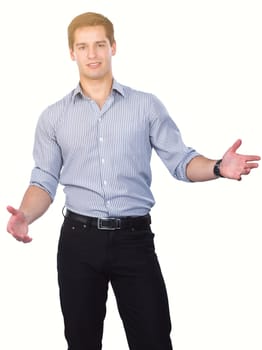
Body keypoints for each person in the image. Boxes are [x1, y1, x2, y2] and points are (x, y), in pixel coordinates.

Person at [6, 12, 260, 350]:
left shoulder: (146, 106)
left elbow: (181, 162)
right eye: (83, 46)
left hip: (134, 241)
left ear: (113, 47)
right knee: (81, 343)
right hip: (78, 242)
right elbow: (44, 180)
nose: (92, 54)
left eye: (99, 44)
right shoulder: (53, 117)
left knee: (154, 340)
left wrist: (216, 167)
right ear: (72, 53)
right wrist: (26, 214)